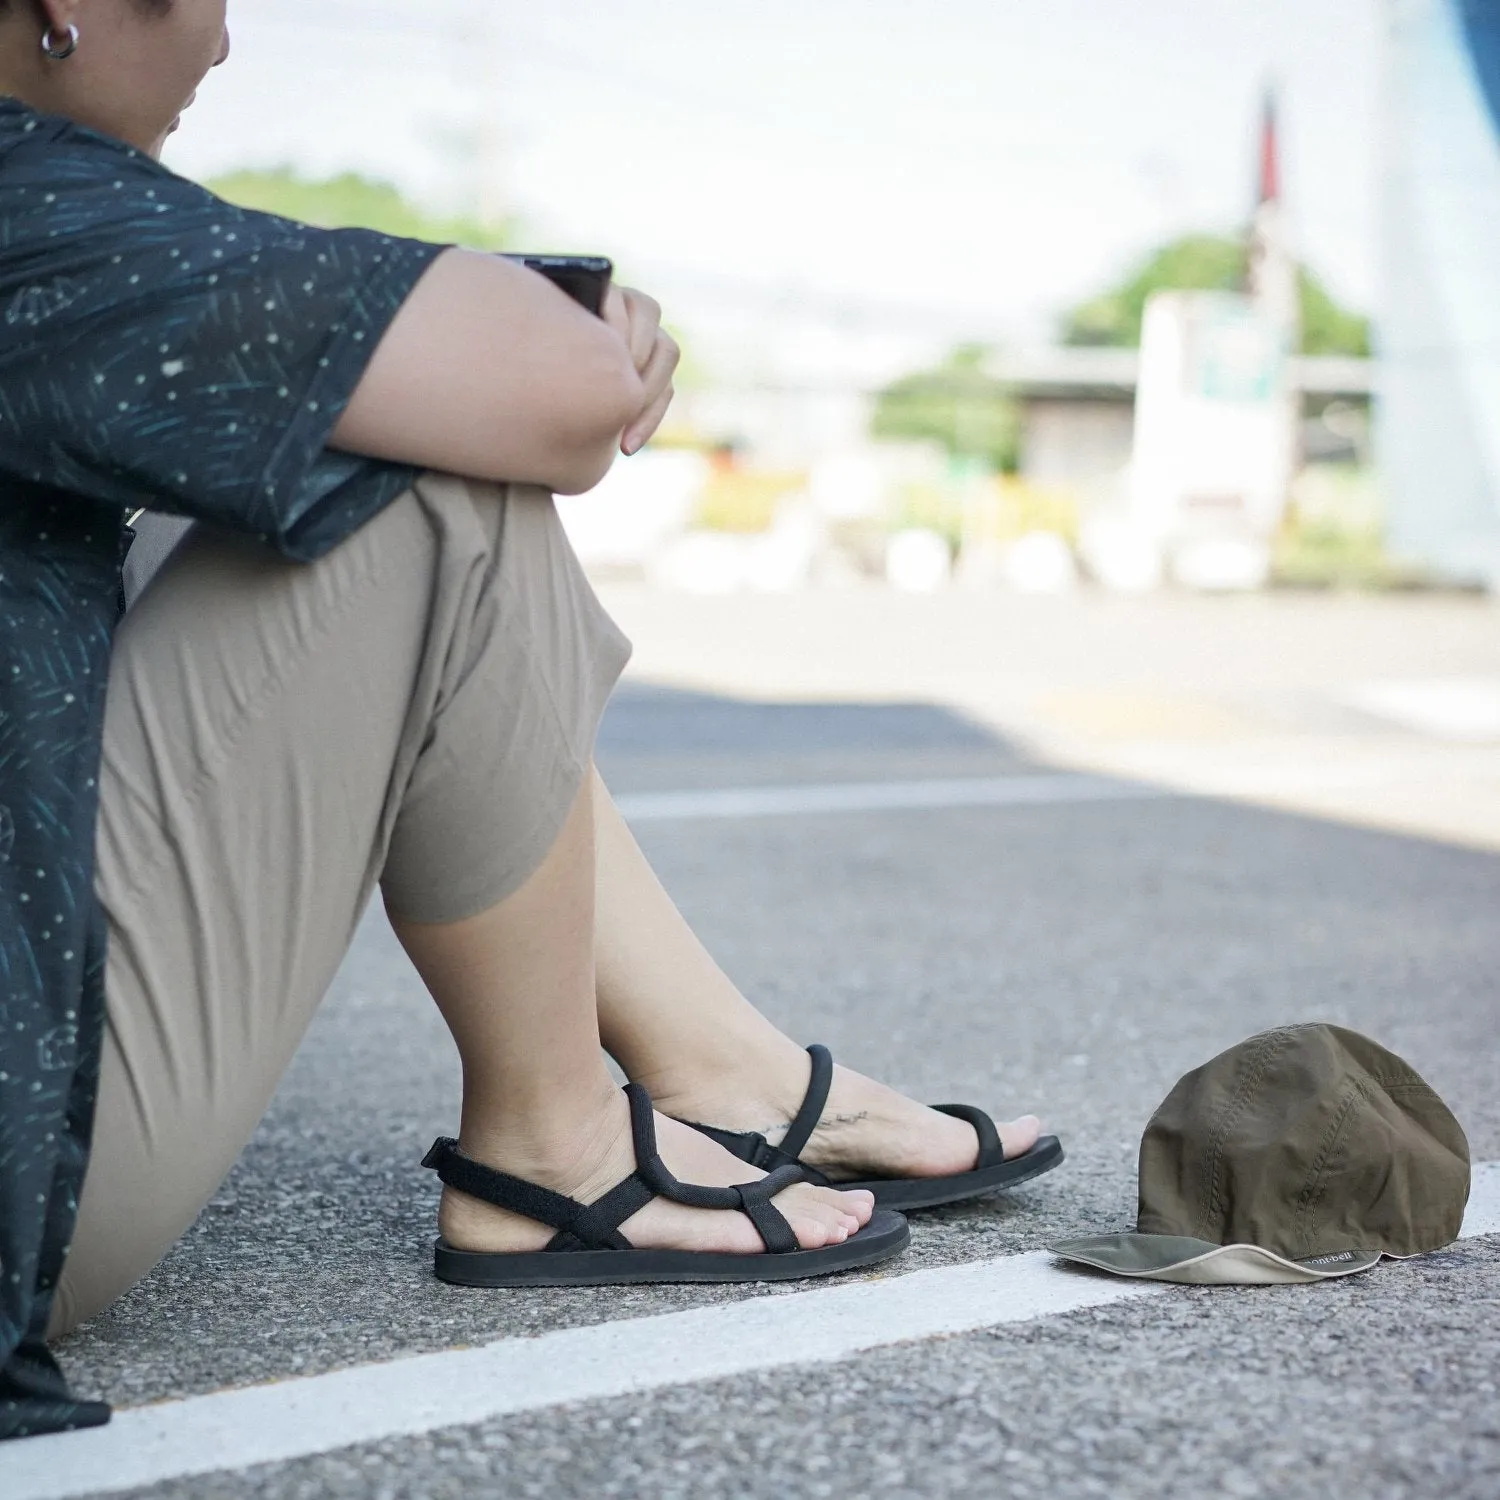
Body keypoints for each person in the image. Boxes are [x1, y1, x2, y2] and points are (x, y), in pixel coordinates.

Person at [0, 0, 1055, 1440]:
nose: (229, 46)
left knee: (294, 471)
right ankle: (557, 1140)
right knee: (440, 493)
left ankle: (723, 1068)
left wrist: (486, 343)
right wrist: (539, 327)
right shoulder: (26, 202)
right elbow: (553, 397)